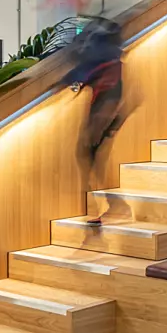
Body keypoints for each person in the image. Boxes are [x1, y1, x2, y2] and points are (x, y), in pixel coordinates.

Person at [65, 14, 126, 224]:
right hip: (102, 116)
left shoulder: (106, 64)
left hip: (102, 117)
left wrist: (98, 127)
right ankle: (106, 207)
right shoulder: (107, 62)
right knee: (89, 160)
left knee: (89, 160)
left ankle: (103, 209)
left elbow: (111, 96)